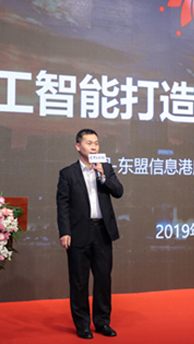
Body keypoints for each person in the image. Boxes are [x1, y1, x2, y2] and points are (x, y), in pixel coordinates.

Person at [57, 129, 124, 339]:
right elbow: (63, 205)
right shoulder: (67, 173)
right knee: (79, 281)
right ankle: (83, 325)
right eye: (89, 143)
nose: (94, 147)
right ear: (78, 146)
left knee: (103, 279)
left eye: (96, 143)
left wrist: (103, 176)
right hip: (78, 232)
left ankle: (102, 322)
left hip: (102, 231)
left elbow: (119, 191)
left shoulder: (106, 169)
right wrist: (65, 231)